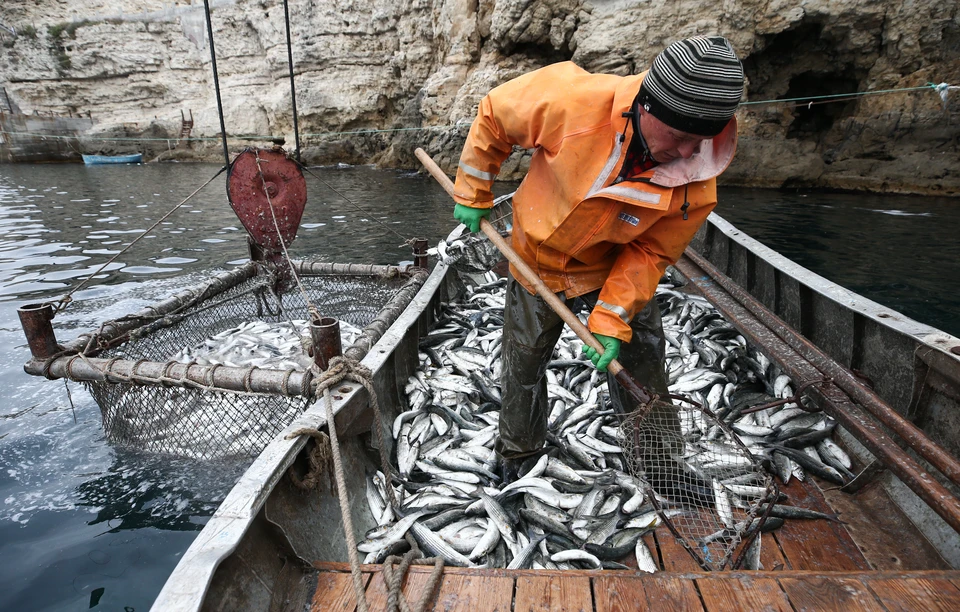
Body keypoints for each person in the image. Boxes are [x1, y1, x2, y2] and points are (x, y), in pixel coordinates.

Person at [451, 36, 745, 481]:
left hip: (612, 265)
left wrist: (612, 316)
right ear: (648, 107)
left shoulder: (698, 185)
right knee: (524, 364)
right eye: (682, 136)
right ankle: (519, 456)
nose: (689, 154)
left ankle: (658, 463)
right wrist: (474, 192)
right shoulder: (572, 100)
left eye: (701, 141)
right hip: (535, 261)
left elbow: (651, 253)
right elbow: (494, 115)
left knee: (642, 360)